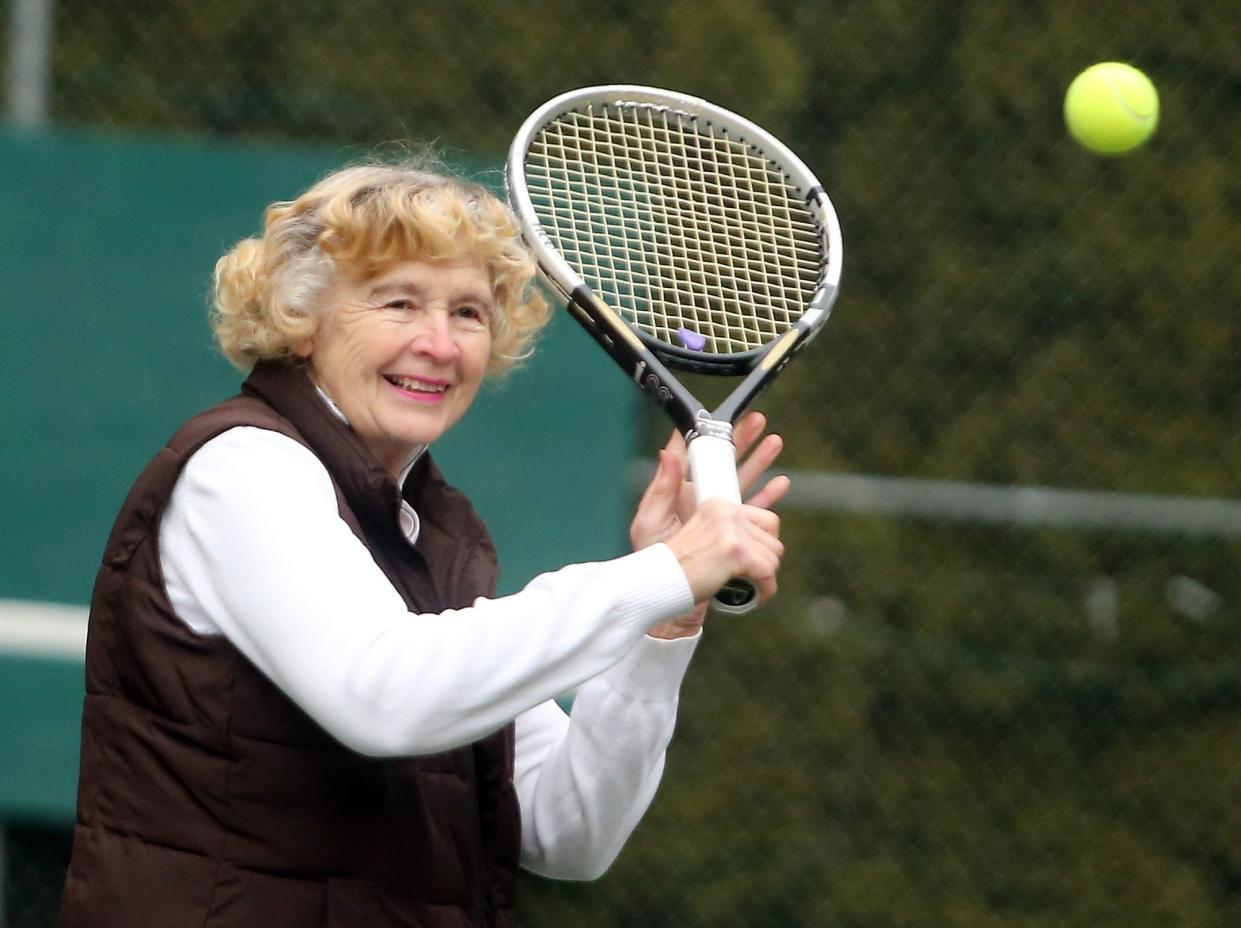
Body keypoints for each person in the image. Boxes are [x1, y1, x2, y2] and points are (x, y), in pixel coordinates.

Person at [57, 160, 789, 928]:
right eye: (398, 302)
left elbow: (568, 831)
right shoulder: (242, 470)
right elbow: (383, 694)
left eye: (469, 314)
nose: (439, 345)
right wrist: (660, 571)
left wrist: (662, 622)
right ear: (303, 318)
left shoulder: (425, 538)